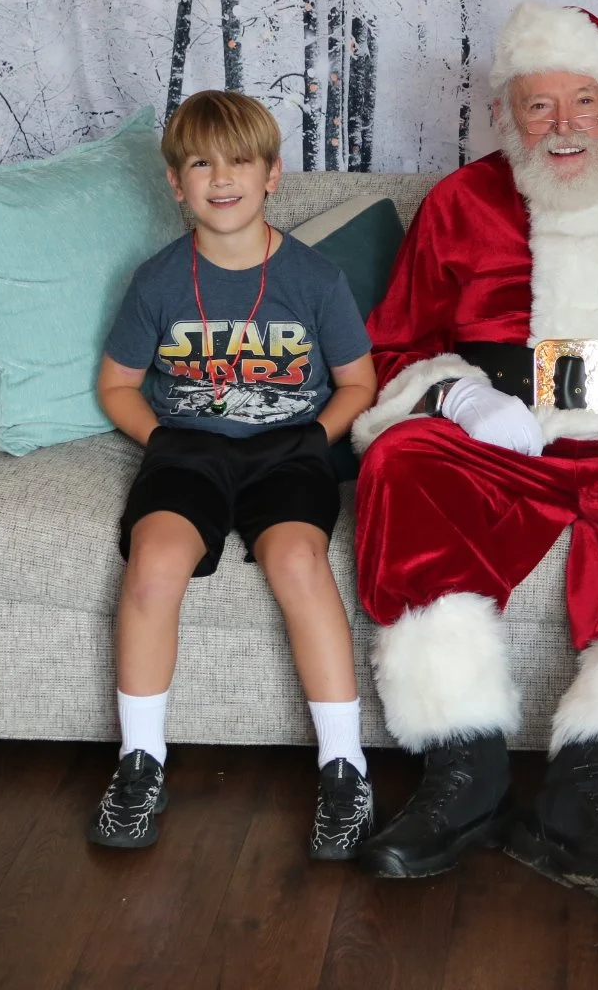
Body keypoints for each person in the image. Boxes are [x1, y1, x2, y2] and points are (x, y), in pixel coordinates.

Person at [346, 2, 598, 914]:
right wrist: (461, 398)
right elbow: (396, 344)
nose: (562, 125)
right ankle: (464, 773)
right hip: (507, 437)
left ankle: (587, 792)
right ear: (507, 116)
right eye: (539, 106)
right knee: (403, 466)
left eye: (583, 102)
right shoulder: (460, 203)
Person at [90, 90, 379, 858]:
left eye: (240, 162)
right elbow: (116, 385)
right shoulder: (157, 281)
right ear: (175, 184)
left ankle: (345, 769)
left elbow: (360, 382)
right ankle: (140, 763)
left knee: (298, 561)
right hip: (188, 451)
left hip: (288, 452)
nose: (221, 179)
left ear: (272, 174)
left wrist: (313, 438)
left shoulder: (314, 279)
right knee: (154, 564)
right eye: (200, 164)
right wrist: (164, 440)